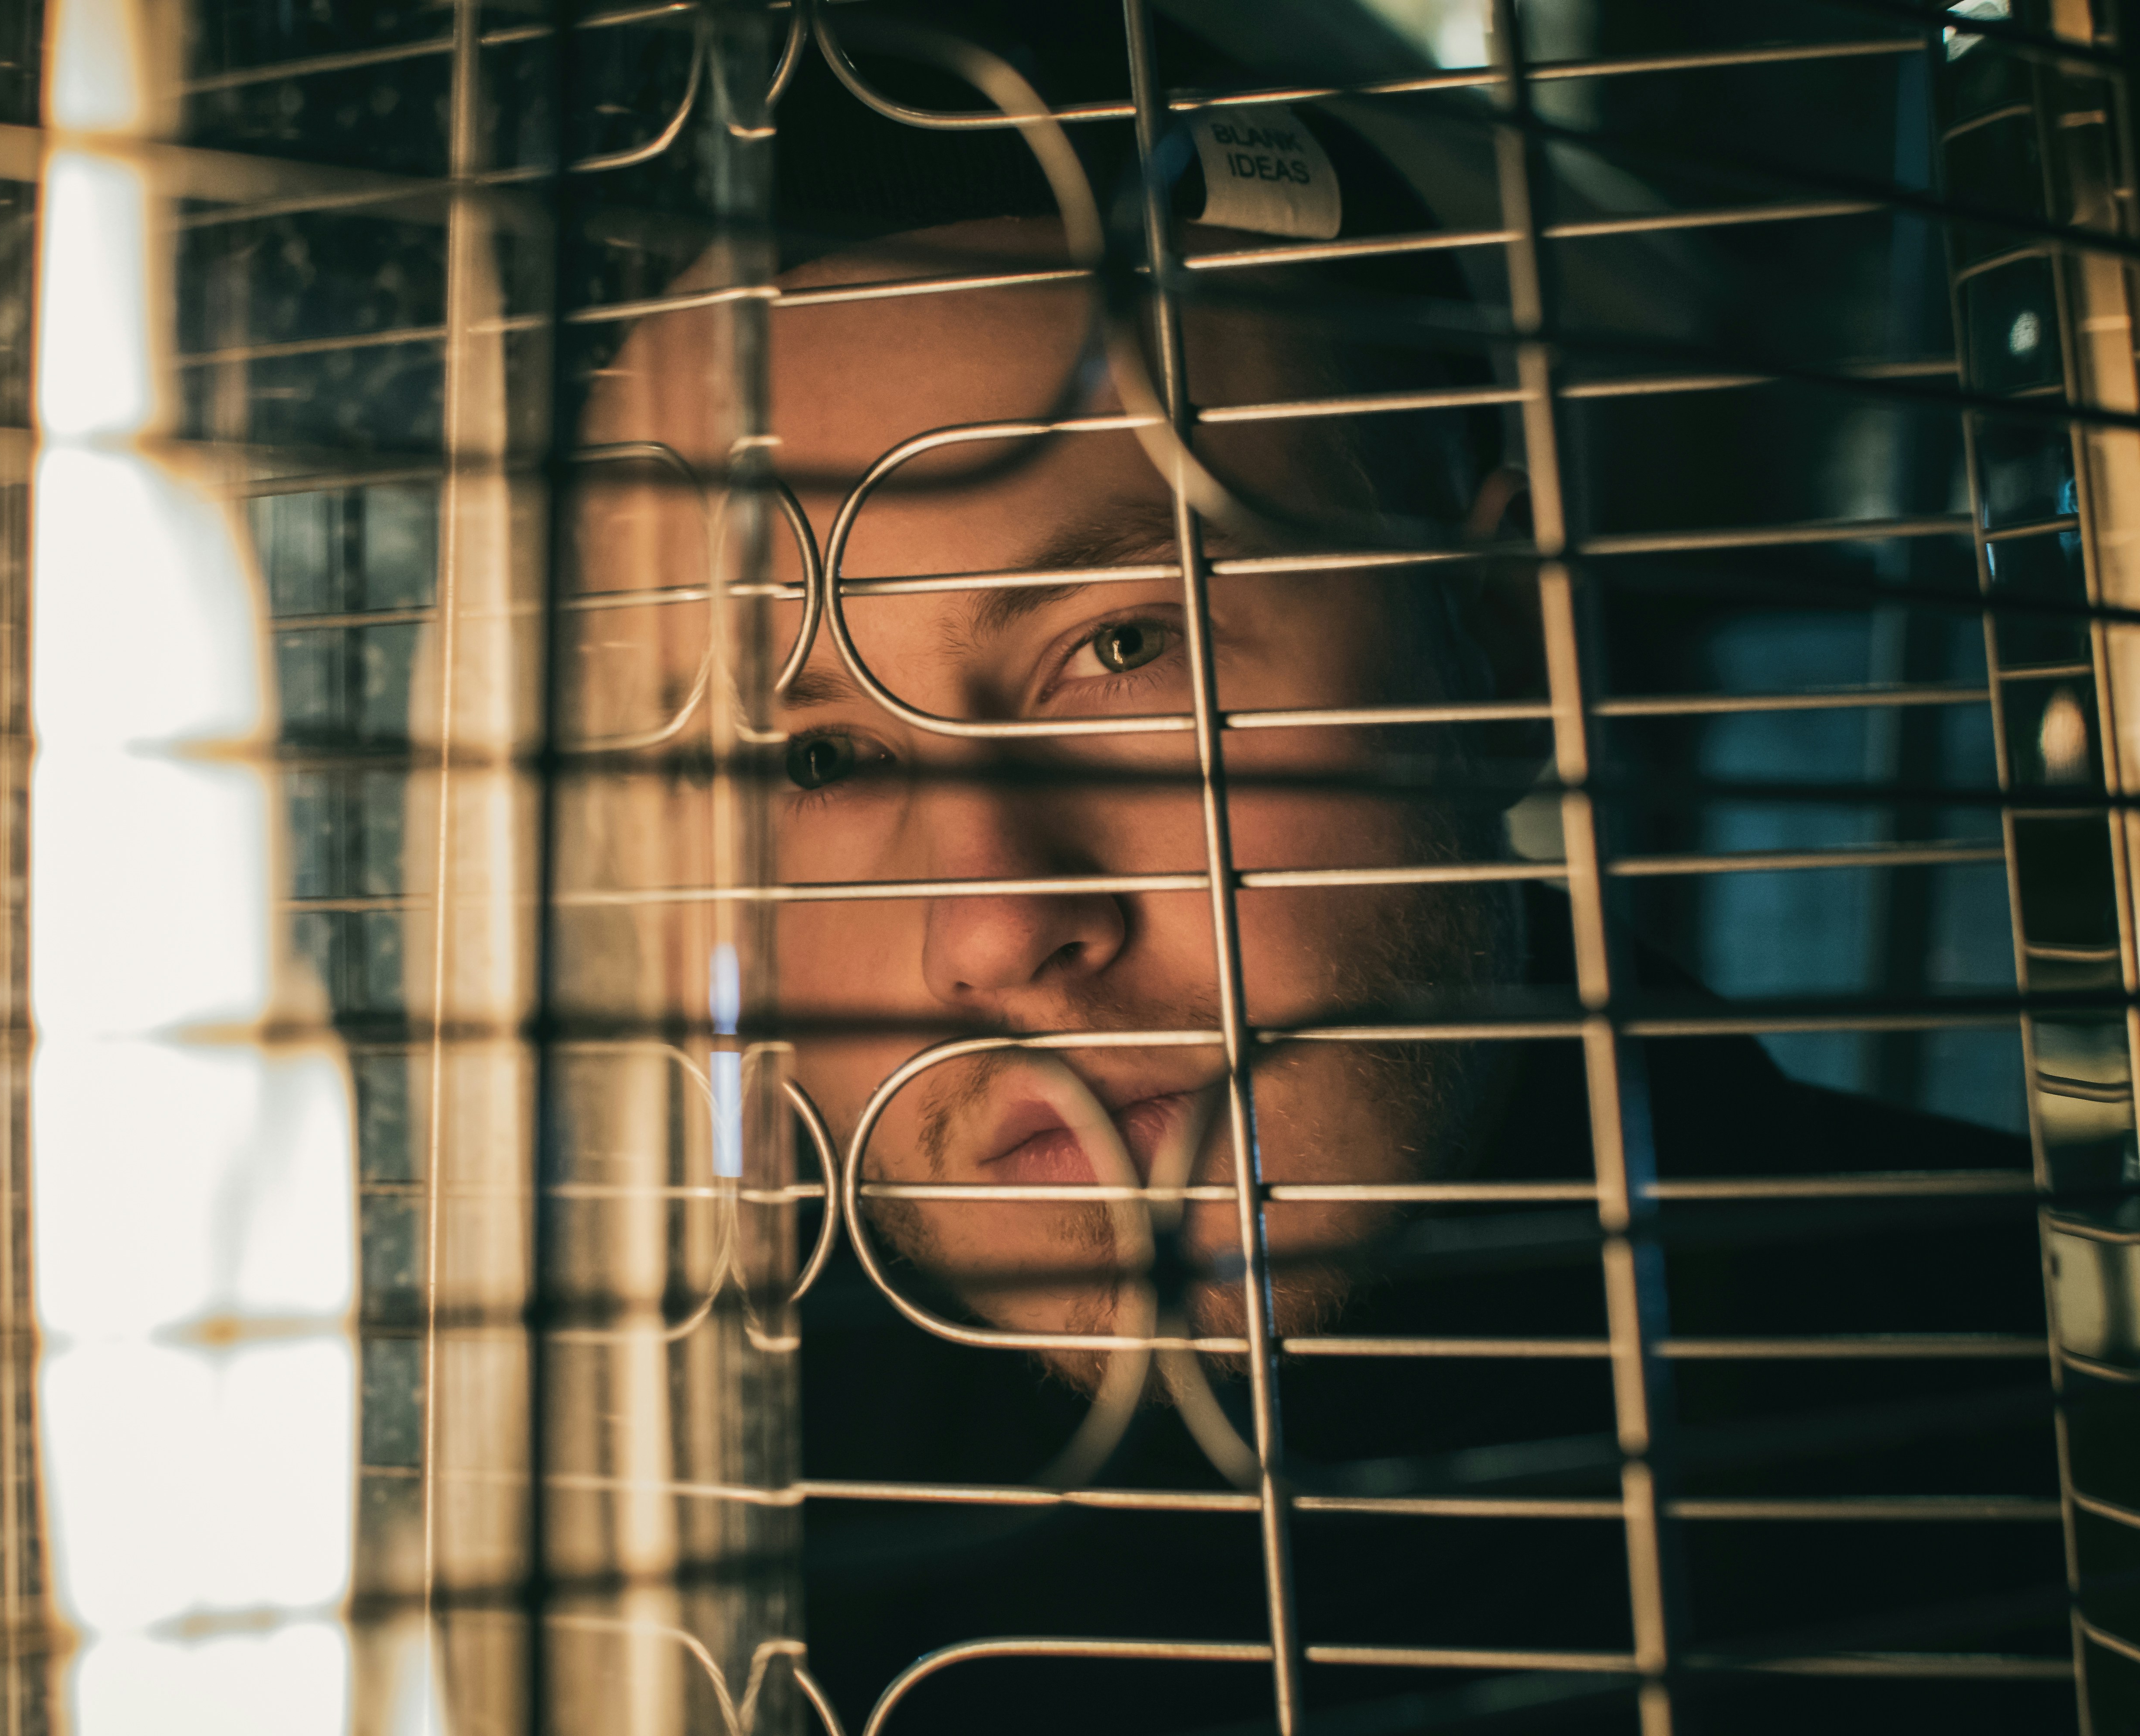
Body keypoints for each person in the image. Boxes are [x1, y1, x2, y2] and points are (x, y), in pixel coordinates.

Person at [584, 22, 2061, 1734]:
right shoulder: (619, 1545)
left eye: (1122, 645)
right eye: (814, 760)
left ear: (1498, 641)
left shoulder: (2058, 1421)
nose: (994, 928)